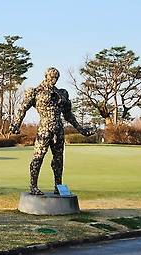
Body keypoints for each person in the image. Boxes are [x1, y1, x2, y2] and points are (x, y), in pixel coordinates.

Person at [10, 67, 95, 195]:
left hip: (59, 130)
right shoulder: (36, 92)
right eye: (52, 77)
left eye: (56, 77)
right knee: (38, 157)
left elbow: (68, 115)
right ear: (46, 76)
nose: (54, 79)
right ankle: (33, 186)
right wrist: (16, 124)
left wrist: (81, 129)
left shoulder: (62, 93)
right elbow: (22, 109)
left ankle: (58, 186)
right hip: (44, 130)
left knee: (58, 159)